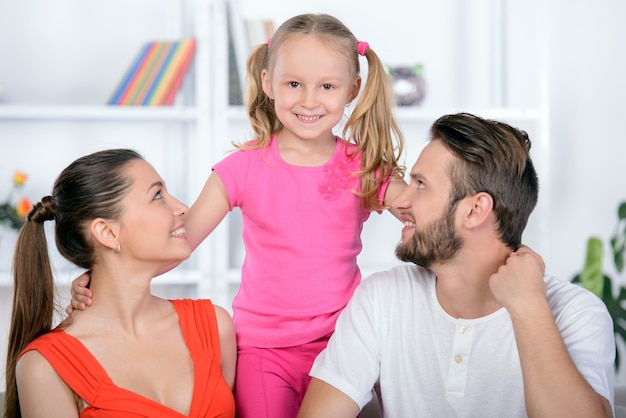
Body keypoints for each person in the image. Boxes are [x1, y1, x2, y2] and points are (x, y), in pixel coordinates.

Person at [68, 13, 406, 418]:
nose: (309, 100)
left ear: (352, 89)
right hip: (264, 350)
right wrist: (100, 282)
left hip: (345, 342)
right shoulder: (241, 168)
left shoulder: (362, 166)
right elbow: (180, 240)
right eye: (293, 84)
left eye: (327, 86)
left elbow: (420, 209)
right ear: (267, 82)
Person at [297, 113, 615, 418]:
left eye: (420, 184)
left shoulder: (576, 313)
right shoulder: (382, 298)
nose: (400, 201)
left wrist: (528, 306)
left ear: (475, 210)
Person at [4, 149, 237, 418]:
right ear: (107, 232)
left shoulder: (215, 326)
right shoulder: (45, 366)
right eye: (157, 195)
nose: (182, 208)